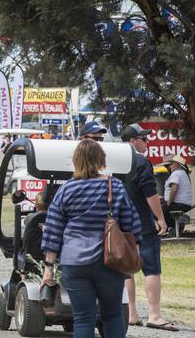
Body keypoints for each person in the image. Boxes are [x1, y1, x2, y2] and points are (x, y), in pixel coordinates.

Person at [41, 139, 142, 337]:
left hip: (74, 263)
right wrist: (133, 256)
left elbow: (53, 230)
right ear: (101, 160)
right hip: (110, 262)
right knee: (112, 314)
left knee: (83, 318)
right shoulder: (116, 187)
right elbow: (132, 224)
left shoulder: (66, 190)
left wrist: (48, 269)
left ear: (76, 161)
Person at [121, 124, 175, 331]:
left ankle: (132, 313)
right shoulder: (141, 162)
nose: (147, 142)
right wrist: (160, 218)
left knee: (127, 269)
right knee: (152, 268)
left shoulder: (115, 160)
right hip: (142, 221)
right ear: (134, 140)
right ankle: (154, 314)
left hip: (121, 222)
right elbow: (150, 193)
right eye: (144, 139)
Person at [161, 155, 193, 232]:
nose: (168, 167)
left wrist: (168, 203)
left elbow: (174, 189)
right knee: (163, 208)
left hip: (178, 204)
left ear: (177, 164)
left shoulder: (176, 173)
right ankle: (177, 224)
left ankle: (175, 226)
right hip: (184, 204)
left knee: (157, 212)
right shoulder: (183, 173)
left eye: (170, 164)